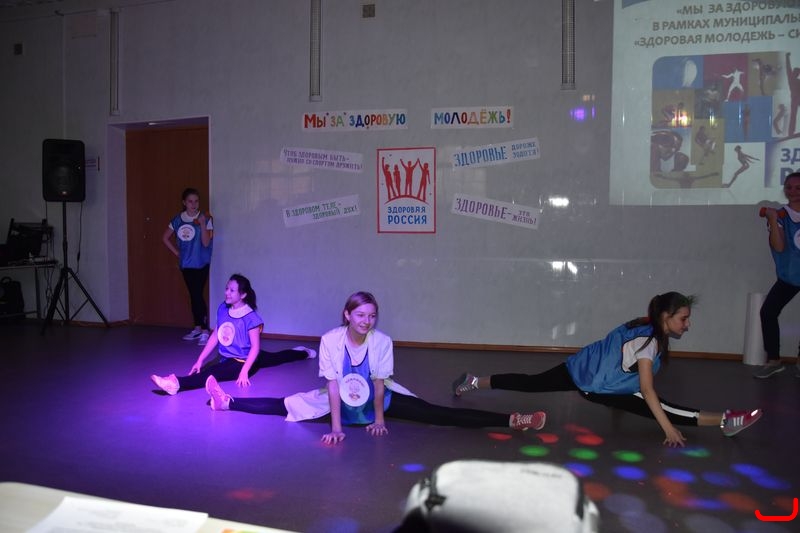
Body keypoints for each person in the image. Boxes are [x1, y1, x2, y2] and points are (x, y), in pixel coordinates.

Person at [203, 291, 546, 445]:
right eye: (360, 315)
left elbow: (380, 384)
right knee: (287, 404)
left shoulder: (382, 341)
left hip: (379, 400)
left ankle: (513, 420)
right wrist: (337, 428)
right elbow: (332, 385)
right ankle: (228, 403)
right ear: (347, 315)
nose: (366, 321)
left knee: (438, 414)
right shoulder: (330, 340)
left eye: (372, 316)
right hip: (337, 400)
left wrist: (379, 419)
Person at [451, 292, 762, 448]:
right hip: (594, 384)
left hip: (581, 368)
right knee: (666, 409)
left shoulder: (644, 325)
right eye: (683, 318)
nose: (688, 324)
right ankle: (726, 420)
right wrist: (667, 429)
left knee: (531, 382)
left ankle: (475, 381)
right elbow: (648, 390)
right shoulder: (648, 342)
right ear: (666, 317)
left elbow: (615, 353)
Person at [150, 273, 316, 395]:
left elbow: (255, 348)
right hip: (230, 357)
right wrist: (200, 360)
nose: (227, 293)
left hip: (243, 360)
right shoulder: (223, 308)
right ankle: (300, 352)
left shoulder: (251, 318)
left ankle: (176, 384)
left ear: (242, 295)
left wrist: (244, 371)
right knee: (275, 358)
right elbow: (215, 336)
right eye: (226, 288)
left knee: (213, 372)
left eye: (232, 290)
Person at [755, 172, 800, 379]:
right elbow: (779, 247)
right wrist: (773, 220)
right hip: (790, 276)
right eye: (789, 187)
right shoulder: (780, 215)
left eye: (798, 188)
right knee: (768, 312)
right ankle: (774, 361)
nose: (793, 192)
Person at [162, 187, 214, 345]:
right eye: (190, 201)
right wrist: (177, 253)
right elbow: (165, 238)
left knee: (197, 294)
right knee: (193, 295)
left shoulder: (205, 218)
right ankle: (197, 328)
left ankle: (205, 330)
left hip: (201, 263)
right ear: (184, 202)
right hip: (186, 264)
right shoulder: (177, 220)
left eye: (196, 201)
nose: (194, 204)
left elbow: (206, 242)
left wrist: (203, 224)